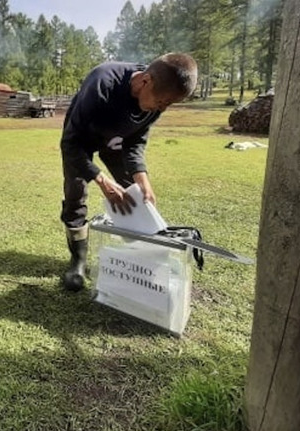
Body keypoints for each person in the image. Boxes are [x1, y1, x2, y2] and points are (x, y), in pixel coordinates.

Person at [60, 53, 198, 291]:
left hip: (116, 142)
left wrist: (142, 177)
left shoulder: (157, 97)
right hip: (81, 140)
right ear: (145, 81)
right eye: (162, 101)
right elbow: (69, 143)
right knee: (76, 191)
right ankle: (78, 260)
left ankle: (141, 256)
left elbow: (135, 142)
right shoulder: (103, 83)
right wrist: (101, 180)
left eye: (168, 104)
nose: (162, 109)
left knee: (134, 195)